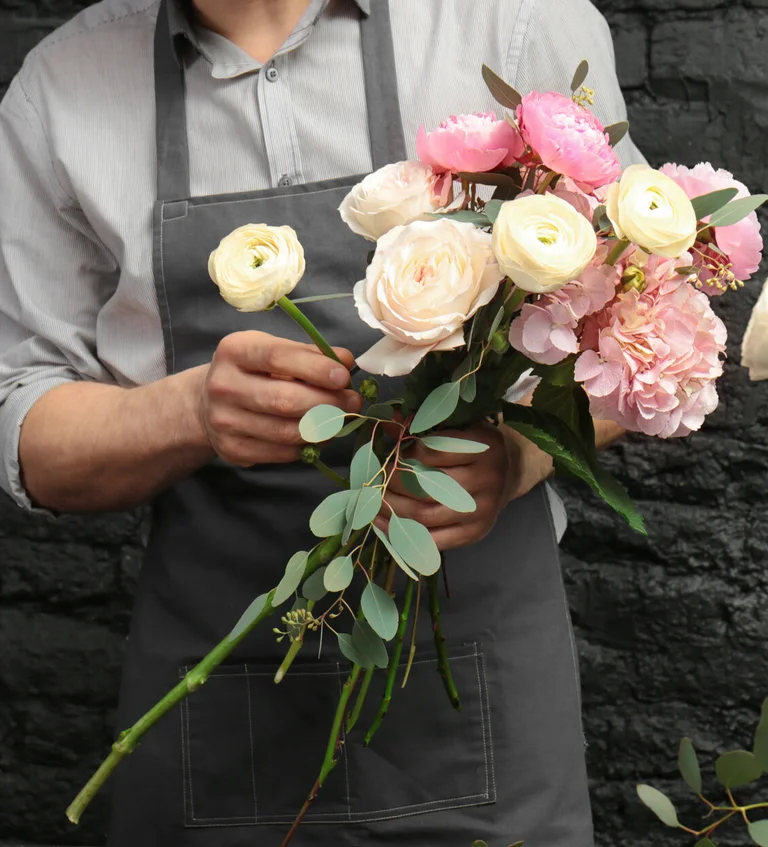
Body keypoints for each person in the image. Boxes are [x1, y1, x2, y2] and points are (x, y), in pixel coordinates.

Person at [0, 1, 644, 845]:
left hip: (482, 708)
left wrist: (517, 454)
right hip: (213, 718)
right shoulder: (61, 89)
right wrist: (188, 411)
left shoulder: (511, 26)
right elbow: (25, 429)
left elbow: (636, 329)